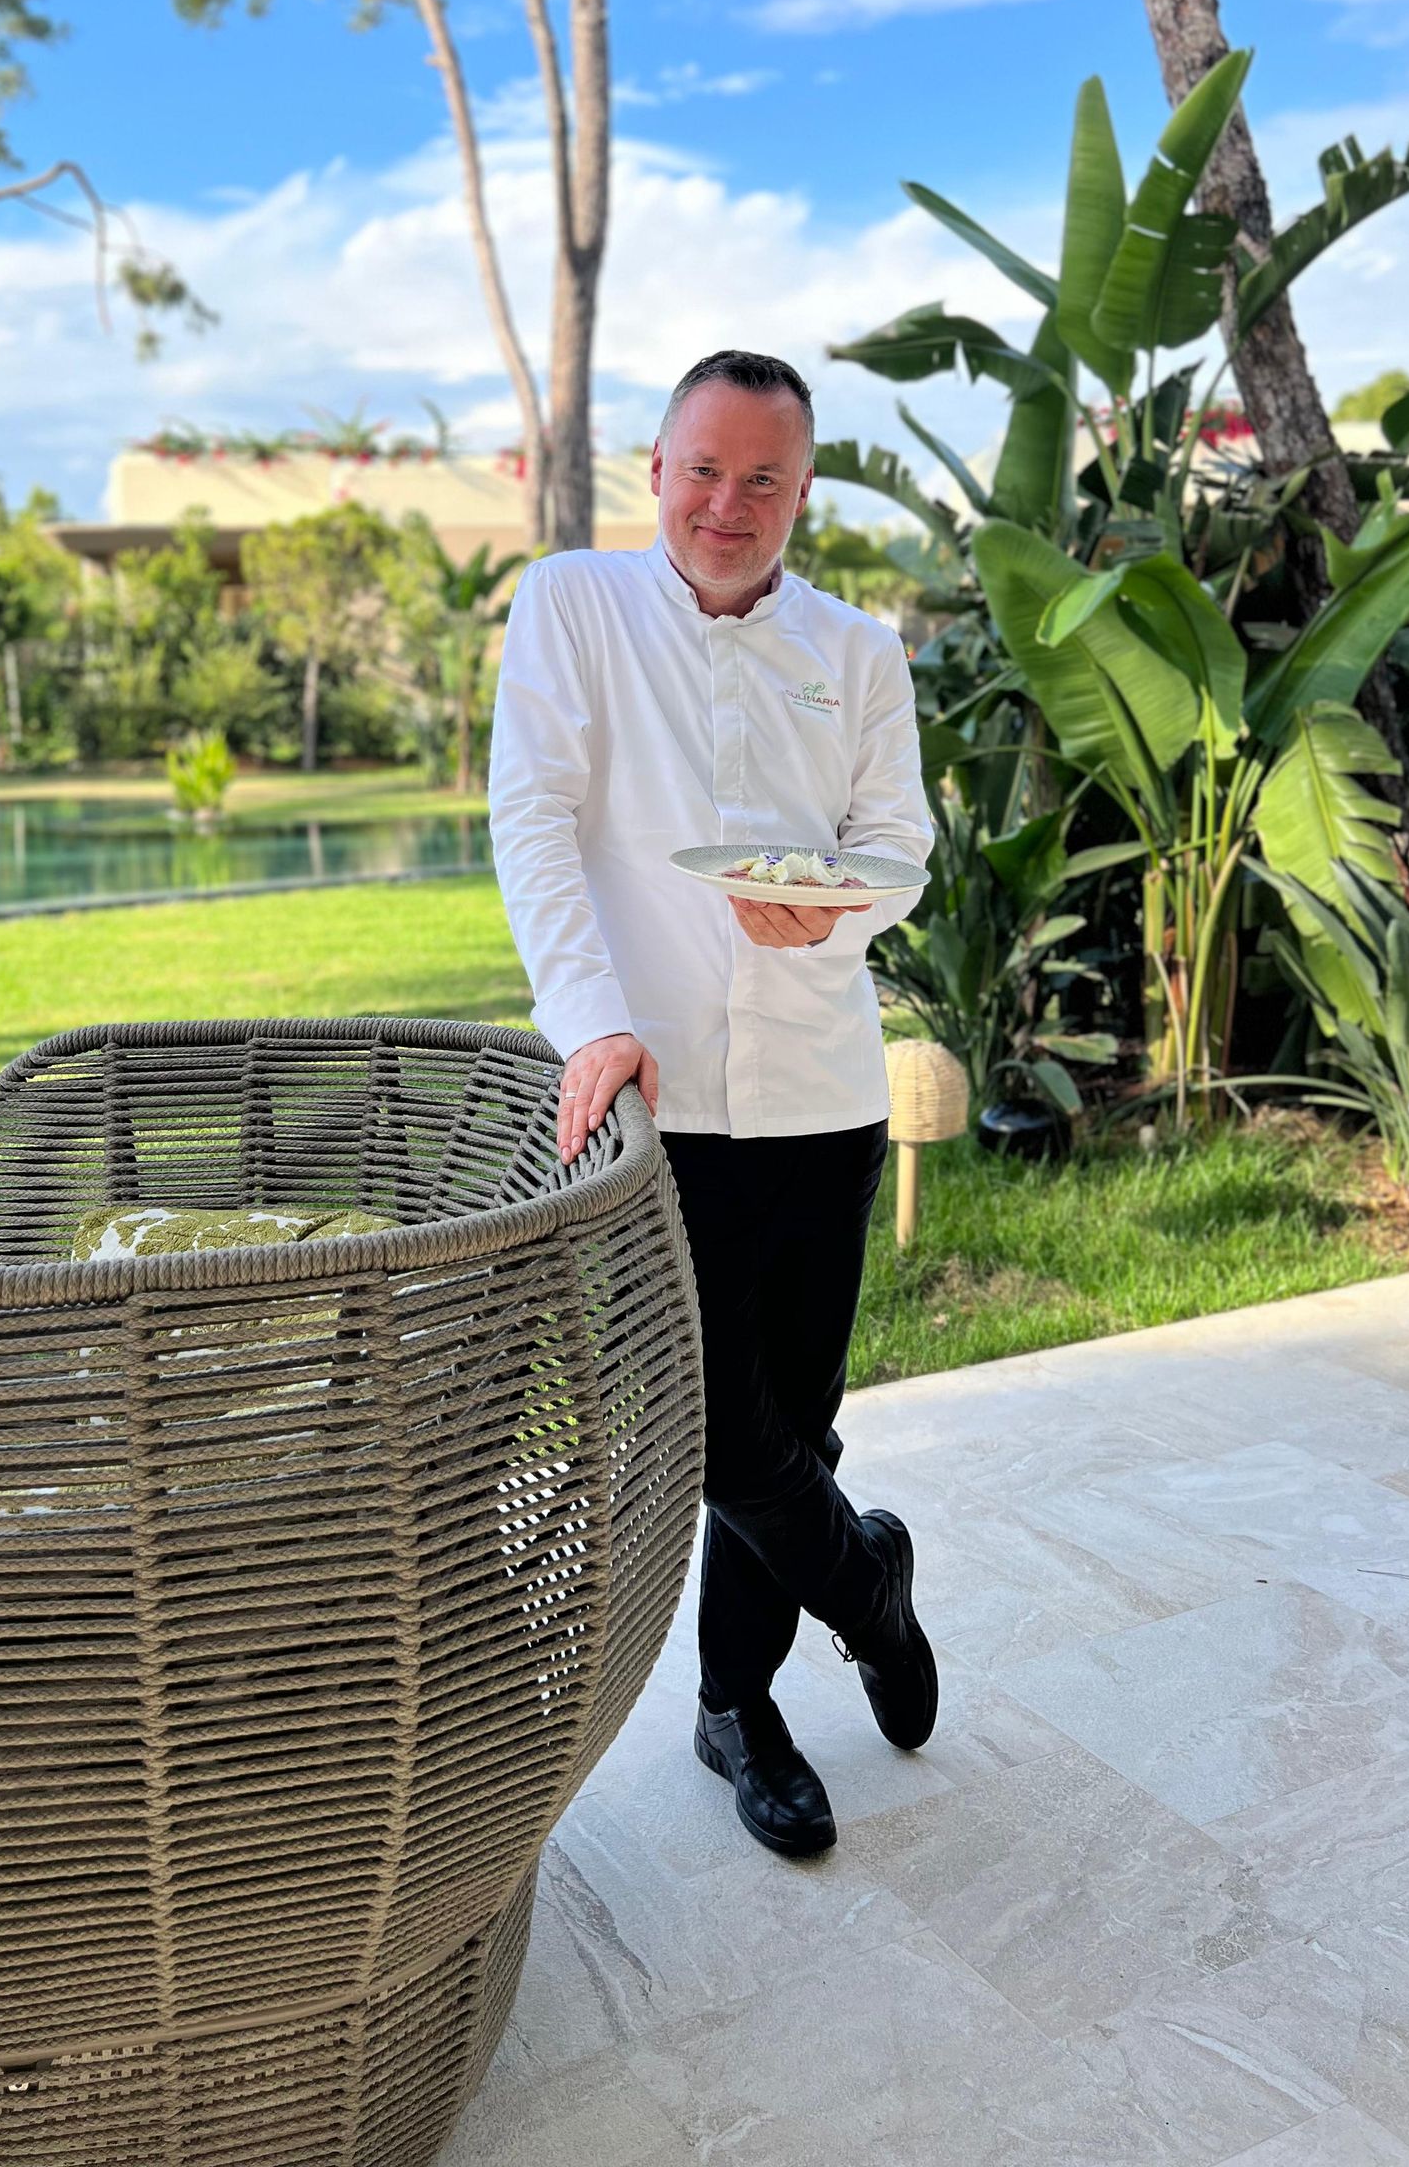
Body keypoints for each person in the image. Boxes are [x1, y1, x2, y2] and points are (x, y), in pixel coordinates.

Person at [487, 347, 939, 1859]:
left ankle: (736, 1707)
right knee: (702, 1435)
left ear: (803, 492)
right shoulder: (574, 605)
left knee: (793, 1421)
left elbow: (896, 844)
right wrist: (591, 1022)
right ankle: (869, 1584)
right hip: (654, 1096)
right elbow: (533, 818)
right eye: (702, 470)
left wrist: (845, 904)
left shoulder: (857, 649)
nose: (726, 506)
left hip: (825, 1091)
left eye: (763, 479)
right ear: (657, 470)